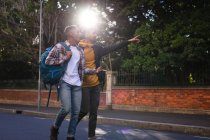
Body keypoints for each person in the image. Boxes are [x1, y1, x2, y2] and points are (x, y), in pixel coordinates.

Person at [77, 30, 140, 139]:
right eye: (93, 32)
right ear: (87, 34)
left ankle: (91, 135)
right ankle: (71, 127)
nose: (95, 34)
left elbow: (113, 47)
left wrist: (128, 41)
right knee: (84, 110)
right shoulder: (78, 48)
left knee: (94, 112)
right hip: (83, 85)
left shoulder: (97, 48)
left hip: (95, 84)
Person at [48, 25, 101, 140]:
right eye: (77, 32)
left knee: (76, 113)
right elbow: (49, 61)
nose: (80, 34)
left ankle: (70, 136)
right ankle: (55, 127)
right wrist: (65, 58)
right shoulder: (60, 46)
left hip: (77, 84)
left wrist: (94, 71)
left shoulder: (79, 50)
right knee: (66, 108)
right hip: (65, 83)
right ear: (71, 34)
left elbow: (82, 69)